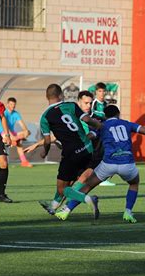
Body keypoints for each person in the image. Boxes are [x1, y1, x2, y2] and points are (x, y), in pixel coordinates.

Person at [59, 105, 145, 223]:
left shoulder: (102, 126)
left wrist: (72, 146)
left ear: (105, 116)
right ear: (118, 114)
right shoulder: (127, 124)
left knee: (87, 186)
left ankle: (66, 210)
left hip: (108, 164)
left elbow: (89, 136)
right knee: (134, 183)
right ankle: (128, 212)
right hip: (127, 164)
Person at [38, 84, 100, 218]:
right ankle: (53, 207)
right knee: (68, 182)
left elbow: (47, 140)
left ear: (47, 97)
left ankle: (89, 199)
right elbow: (88, 120)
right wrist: (101, 126)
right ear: (61, 95)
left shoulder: (45, 117)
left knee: (62, 187)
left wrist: (45, 152)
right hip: (87, 149)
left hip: (71, 153)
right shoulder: (72, 105)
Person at [0, 97, 33, 167]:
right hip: (3, 132)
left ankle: (24, 162)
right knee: (17, 142)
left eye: (14, 104)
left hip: (12, 133)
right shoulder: (4, 113)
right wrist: (12, 136)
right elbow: (5, 126)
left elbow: (22, 124)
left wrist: (26, 131)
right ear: (7, 104)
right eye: (11, 104)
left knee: (28, 132)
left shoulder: (16, 113)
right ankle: (12, 141)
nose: (12, 106)